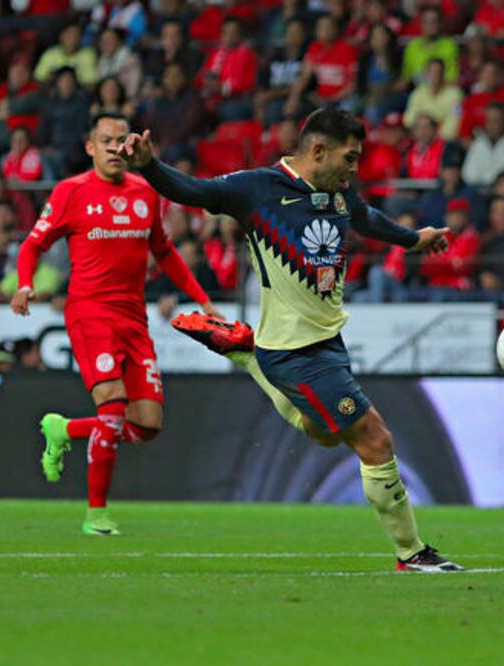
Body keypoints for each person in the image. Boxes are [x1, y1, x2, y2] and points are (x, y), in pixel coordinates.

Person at [114, 106, 464, 572]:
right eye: (350, 158)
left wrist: (411, 239)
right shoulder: (258, 188)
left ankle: (246, 355)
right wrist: (150, 167)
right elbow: (195, 191)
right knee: (375, 439)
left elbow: (366, 217)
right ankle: (412, 553)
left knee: (323, 433)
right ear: (318, 150)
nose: (354, 169)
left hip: (327, 343)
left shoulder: (338, 193)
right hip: (294, 352)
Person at [11, 112, 223, 536]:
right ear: (90, 147)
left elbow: (164, 252)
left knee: (146, 425)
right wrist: (25, 285)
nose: (113, 148)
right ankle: (96, 515)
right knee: (111, 405)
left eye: (120, 141)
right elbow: (34, 243)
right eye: (105, 141)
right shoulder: (71, 191)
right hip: (90, 312)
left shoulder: (146, 192)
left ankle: (64, 428)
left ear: (130, 146)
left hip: (133, 317)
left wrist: (202, 300)